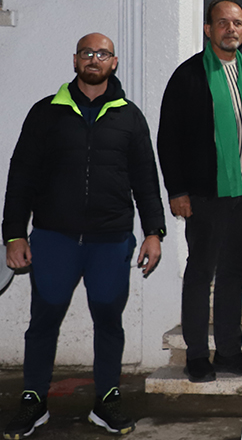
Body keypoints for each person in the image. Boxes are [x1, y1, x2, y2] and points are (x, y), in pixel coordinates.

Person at [2, 34, 166, 438]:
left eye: (102, 53)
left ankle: (106, 399)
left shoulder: (130, 116)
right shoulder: (46, 112)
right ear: (75, 60)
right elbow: (21, 175)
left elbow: (146, 180)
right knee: (44, 320)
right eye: (87, 53)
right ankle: (33, 400)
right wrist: (14, 234)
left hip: (110, 240)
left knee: (109, 321)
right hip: (53, 238)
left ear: (114, 61)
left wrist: (154, 232)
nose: (95, 59)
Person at [157, 0, 242, 384]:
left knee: (234, 273)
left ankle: (229, 351)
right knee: (201, 272)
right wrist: (177, 190)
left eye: (238, 22)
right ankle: (197, 356)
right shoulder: (188, 75)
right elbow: (168, 138)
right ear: (208, 29)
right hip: (205, 193)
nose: (231, 29)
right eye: (223, 22)